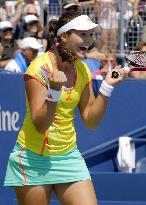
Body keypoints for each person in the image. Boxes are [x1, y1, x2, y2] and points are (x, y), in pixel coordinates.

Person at [4, 11, 127, 205]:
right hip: (32, 158)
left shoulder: (83, 69)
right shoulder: (38, 69)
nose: (89, 41)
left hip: (68, 155)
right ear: (64, 36)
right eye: (83, 34)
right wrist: (54, 91)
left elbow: (91, 120)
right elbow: (40, 125)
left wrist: (107, 87)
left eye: (90, 35)